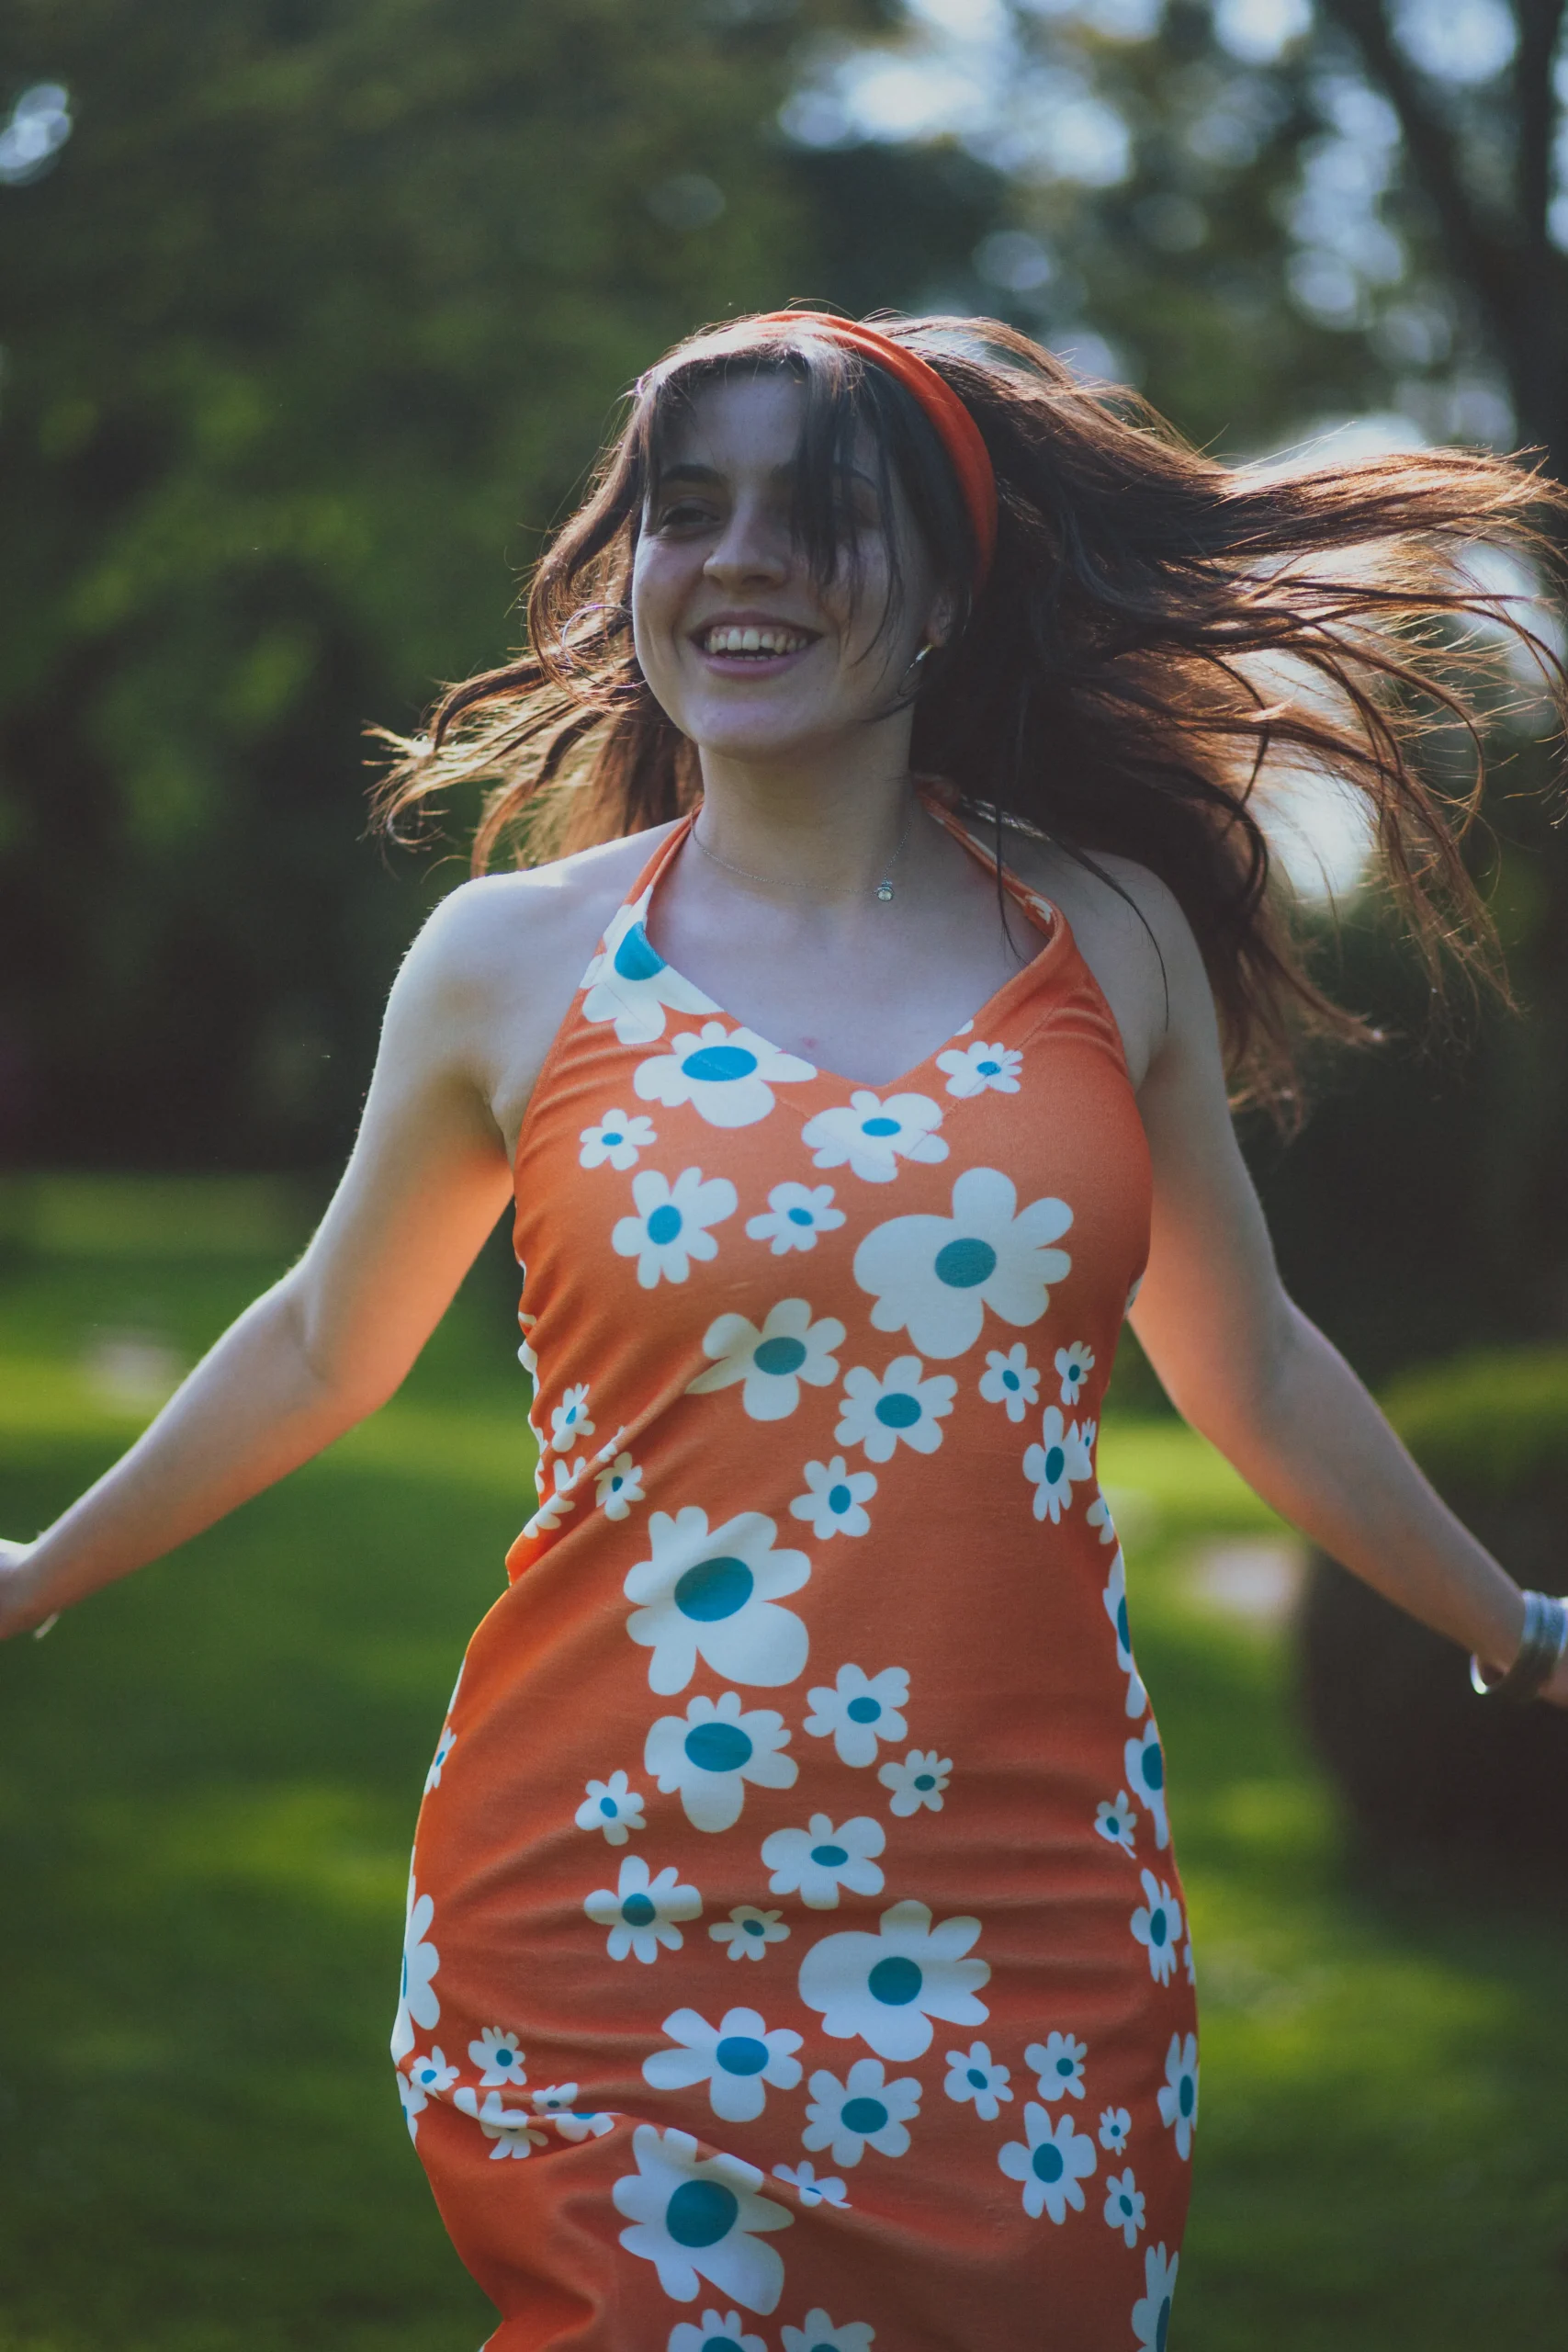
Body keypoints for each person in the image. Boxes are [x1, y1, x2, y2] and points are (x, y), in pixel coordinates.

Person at [4, 308, 1567, 2352]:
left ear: (938, 594)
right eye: (685, 508)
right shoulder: (506, 962)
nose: (736, 557)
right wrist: (36, 1575)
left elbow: (1248, 1358)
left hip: (1026, 1914)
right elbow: (320, 1336)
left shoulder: (1104, 935)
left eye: (818, 514)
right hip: (606, 1893)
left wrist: (1516, 1628)